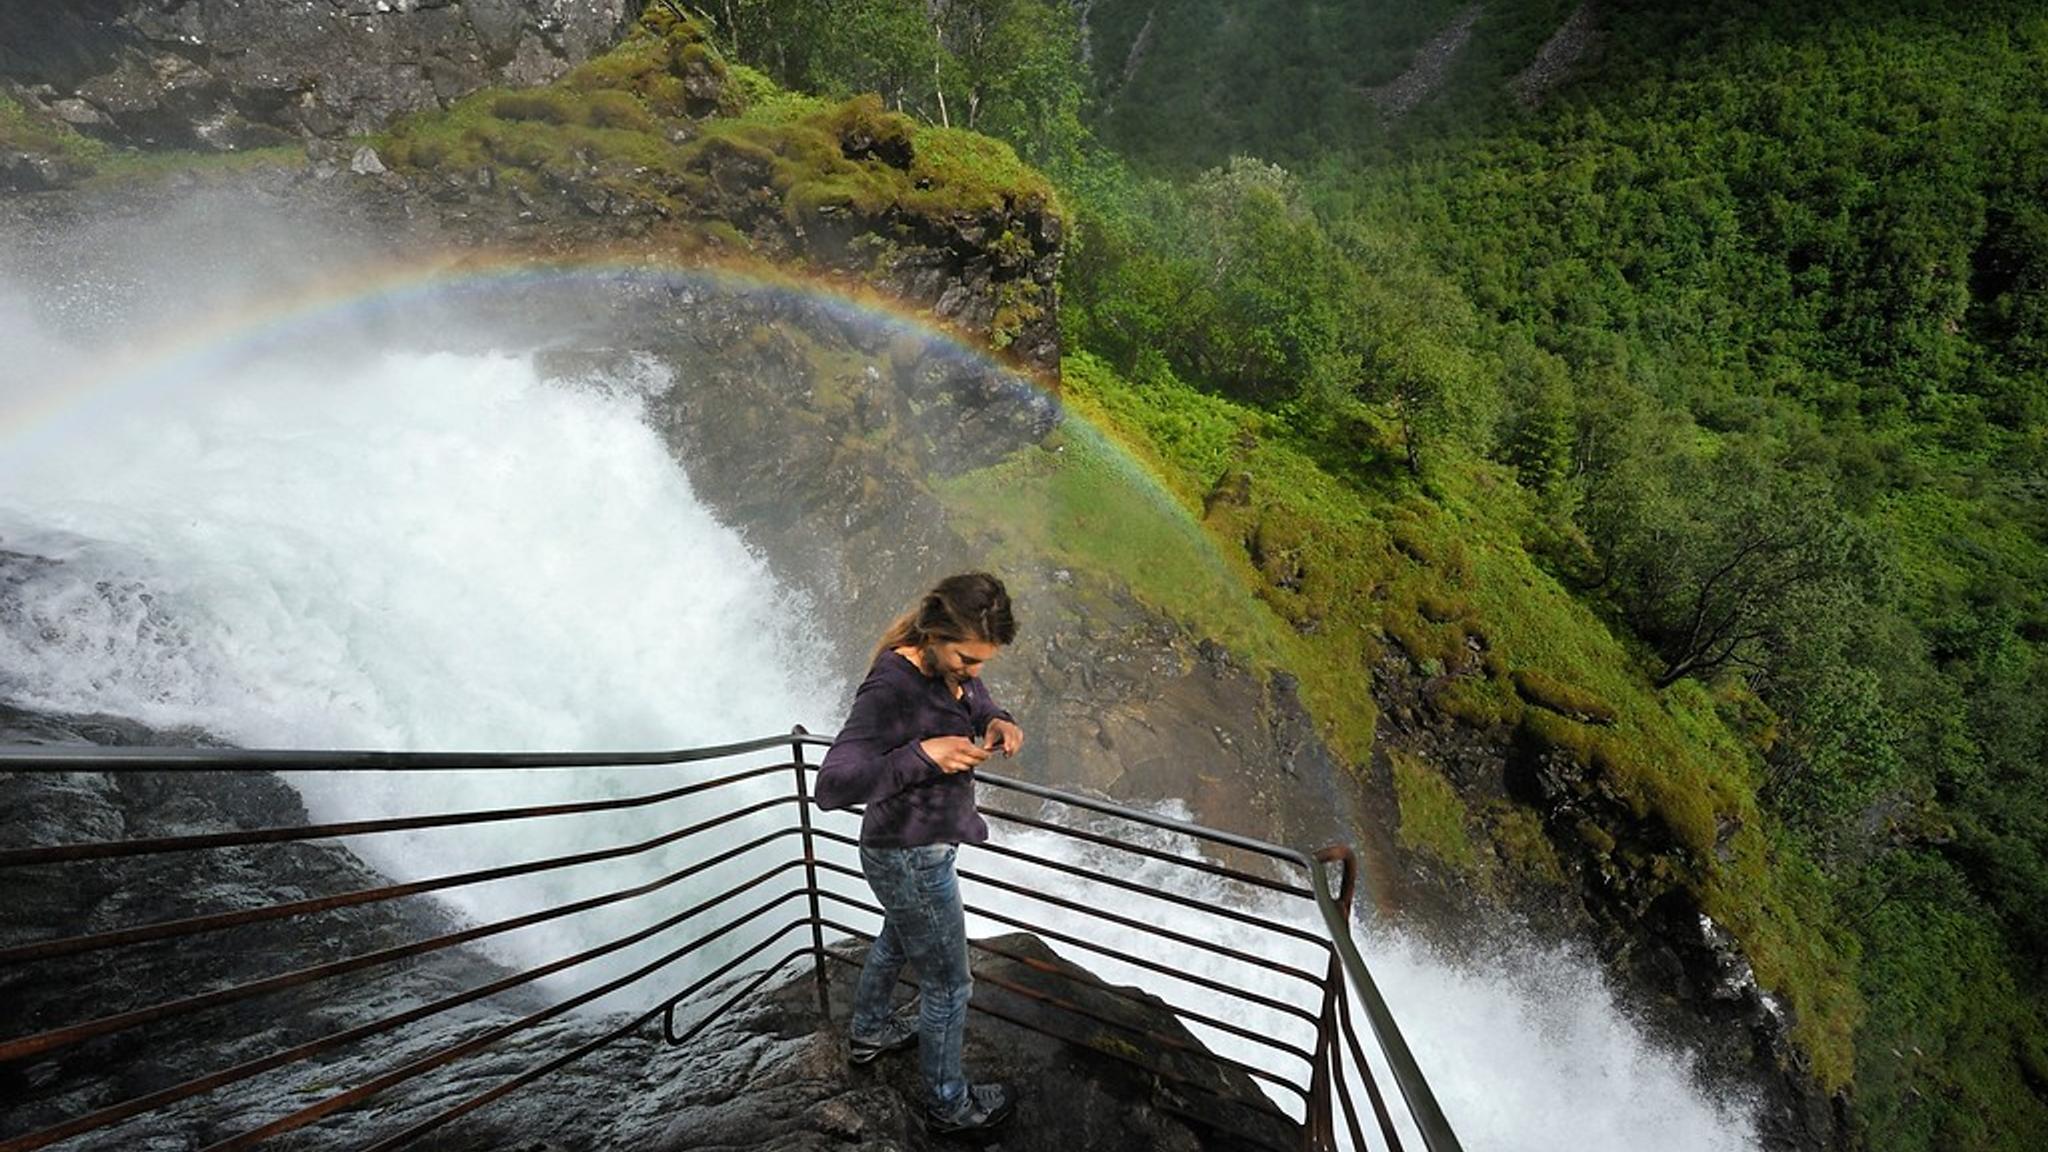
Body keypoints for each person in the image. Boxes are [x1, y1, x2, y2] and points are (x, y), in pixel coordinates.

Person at [814, 572, 1025, 1136]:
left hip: (914, 849)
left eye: (983, 662)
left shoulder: (946, 671)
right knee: (950, 985)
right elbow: (832, 786)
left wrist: (994, 718)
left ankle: (869, 1031)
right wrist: (924, 755)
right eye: (966, 658)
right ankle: (948, 1104)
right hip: (908, 853)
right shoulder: (891, 685)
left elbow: (968, 695)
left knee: (897, 937)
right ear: (932, 635)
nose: (975, 672)